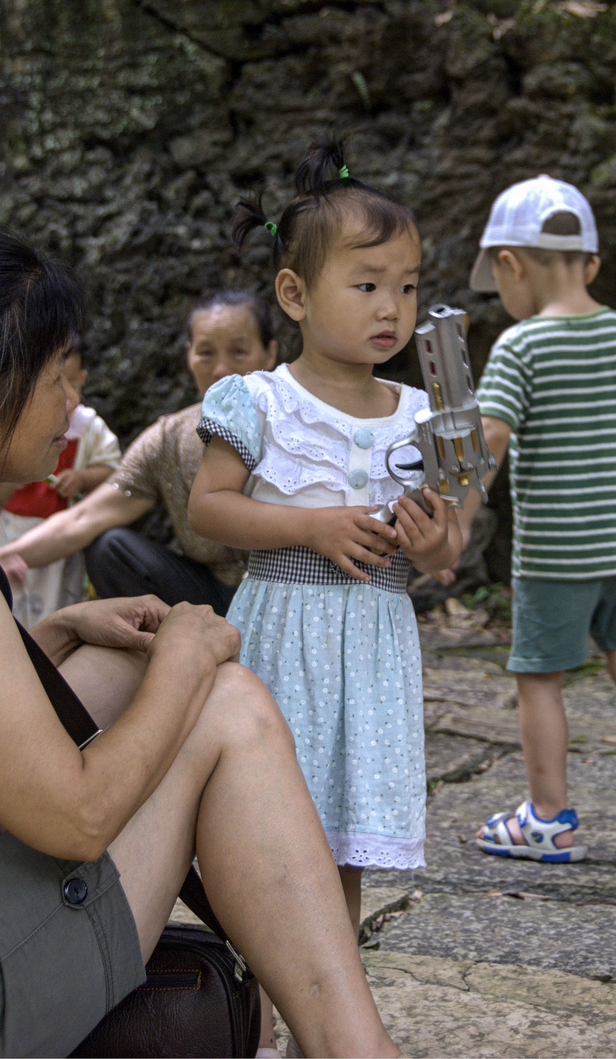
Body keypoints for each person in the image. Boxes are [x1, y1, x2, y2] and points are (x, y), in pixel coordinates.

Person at [0, 224, 401, 1059]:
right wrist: (184, 661)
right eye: (55, 374)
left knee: (118, 659)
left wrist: (52, 630)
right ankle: (355, 1047)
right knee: (224, 702)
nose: (71, 399)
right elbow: (78, 818)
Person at [188, 139, 461, 1016]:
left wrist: (429, 545)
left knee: (334, 846)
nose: (394, 308)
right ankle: (249, 1014)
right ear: (295, 294)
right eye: (368, 284)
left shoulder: (421, 414)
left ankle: (323, 1016)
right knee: (265, 833)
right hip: (285, 636)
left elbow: (448, 550)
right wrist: (309, 525)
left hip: (374, 650)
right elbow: (210, 509)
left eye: (409, 286)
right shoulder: (263, 401)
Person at [460, 174, 616, 862]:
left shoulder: (521, 347)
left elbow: (488, 440)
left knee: (540, 679)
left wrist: (456, 524)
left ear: (509, 266)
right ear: (591, 264)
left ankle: (549, 819)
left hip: (557, 553)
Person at [0, 290, 278, 615]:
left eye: (239, 351)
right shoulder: (167, 439)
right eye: (206, 352)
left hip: (294, 593)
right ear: (188, 355)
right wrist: (0, 559)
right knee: (110, 548)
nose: (220, 369)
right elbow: (85, 517)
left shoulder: (302, 422)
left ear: (270, 353)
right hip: (212, 599)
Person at [0, 336, 121, 626]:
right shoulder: (16, 422)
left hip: (60, 535)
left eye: (72, 383)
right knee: (8, 592)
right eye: (52, 383)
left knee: (57, 598)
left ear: (84, 379)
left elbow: (114, 470)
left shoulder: (89, 427)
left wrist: (84, 477)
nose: (66, 397)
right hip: (13, 526)